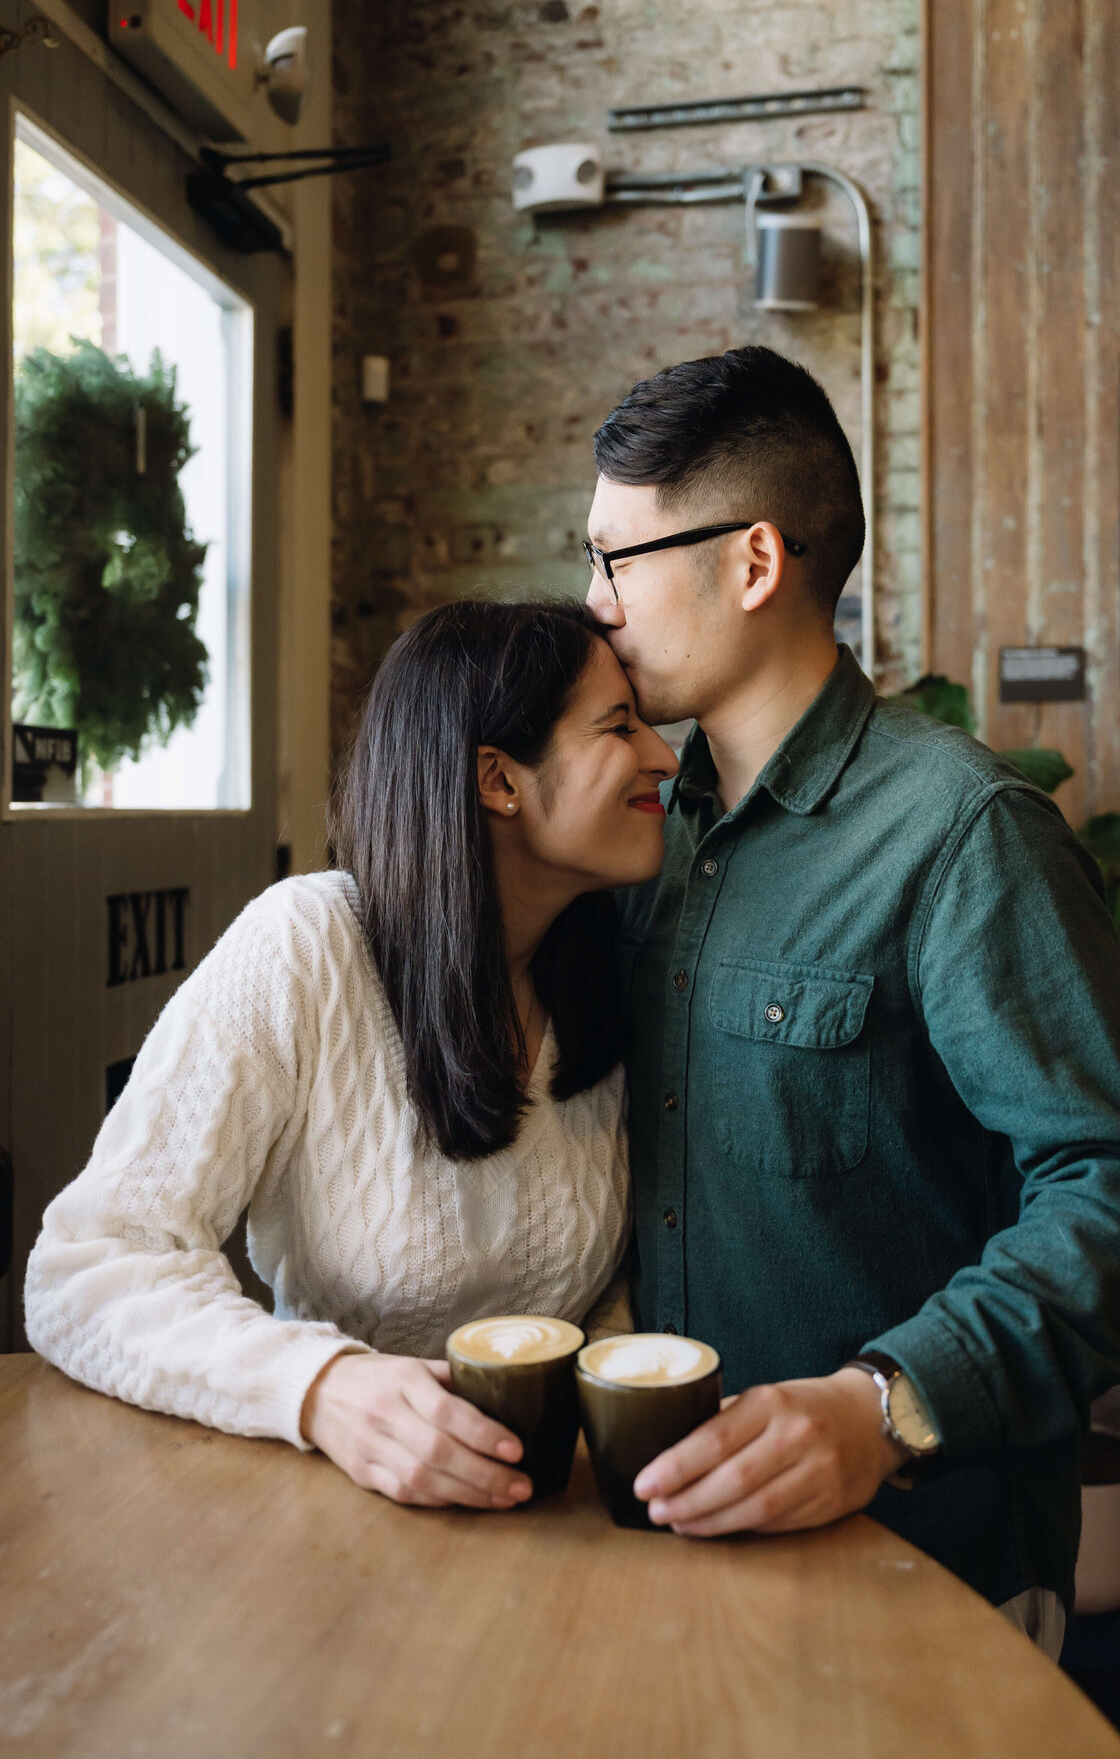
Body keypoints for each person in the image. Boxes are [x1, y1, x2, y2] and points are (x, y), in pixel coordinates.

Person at [583, 344, 1120, 1659]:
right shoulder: (642, 829)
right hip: (666, 1561)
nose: (597, 605)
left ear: (752, 564)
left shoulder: (965, 833)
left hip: (927, 1579)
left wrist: (886, 1405)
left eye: (615, 561)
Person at [25, 601, 675, 1512]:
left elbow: (610, 1289)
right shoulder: (307, 945)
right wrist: (323, 1387)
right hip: (329, 1516)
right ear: (499, 779)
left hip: (550, 1521)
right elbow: (86, 1266)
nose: (665, 756)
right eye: (620, 726)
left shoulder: (607, 965)